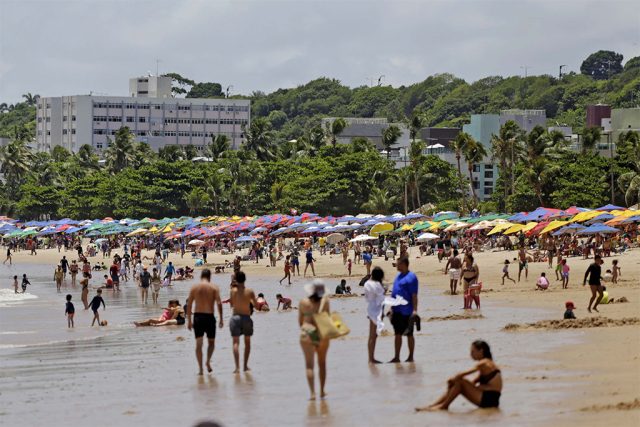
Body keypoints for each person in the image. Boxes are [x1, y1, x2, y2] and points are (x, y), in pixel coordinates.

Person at [416, 340, 502, 411]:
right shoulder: (489, 363)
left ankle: (443, 406)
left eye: (473, 351)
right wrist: (454, 385)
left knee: (459, 381)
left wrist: (452, 380)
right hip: (491, 400)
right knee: (458, 383)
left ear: (481, 351)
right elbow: (472, 383)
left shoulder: (484, 363)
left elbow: (461, 375)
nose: (471, 354)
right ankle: (433, 406)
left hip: (488, 399)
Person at [186, 269, 223, 375]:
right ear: (210, 276)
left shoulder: (194, 288)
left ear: (201, 276)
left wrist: (189, 321)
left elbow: (189, 305)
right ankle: (207, 361)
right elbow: (219, 303)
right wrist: (221, 319)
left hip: (198, 317)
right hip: (209, 317)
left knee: (199, 344)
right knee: (211, 343)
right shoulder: (214, 287)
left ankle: (201, 369)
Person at [298, 280, 330, 400]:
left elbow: (300, 322)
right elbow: (327, 318)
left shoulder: (303, 302)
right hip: (321, 332)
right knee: (322, 363)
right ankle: (322, 391)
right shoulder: (325, 302)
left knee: (309, 366)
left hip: (307, 331)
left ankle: (312, 393)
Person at [389, 257, 419, 363]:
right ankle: (396, 357)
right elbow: (394, 293)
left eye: (398, 264)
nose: (396, 265)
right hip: (397, 310)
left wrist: (415, 310)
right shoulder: (398, 276)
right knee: (397, 334)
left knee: (409, 334)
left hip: (407, 311)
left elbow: (414, 296)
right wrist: (391, 308)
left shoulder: (411, 277)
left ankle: (411, 357)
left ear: (404, 264)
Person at [229, 271, 258, 373]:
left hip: (235, 317)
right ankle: (245, 366)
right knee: (247, 342)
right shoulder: (250, 291)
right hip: (246, 317)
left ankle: (237, 367)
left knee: (235, 343)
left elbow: (231, 305)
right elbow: (257, 306)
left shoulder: (233, 291)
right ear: (245, 279)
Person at [364, 266, 385, 364]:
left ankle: (370, 357)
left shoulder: (367, 284)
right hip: (377, 311)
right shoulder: (378, 285)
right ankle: (371, 358)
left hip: (370, 310)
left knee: (371, 336)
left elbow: (368, 298)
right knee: (374, 335)